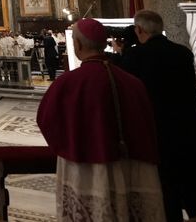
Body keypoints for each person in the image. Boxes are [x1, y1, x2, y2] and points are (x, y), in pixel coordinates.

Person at [37, 18, 165, 221]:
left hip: (86, 168)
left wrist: (68, 145)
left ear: (77, 45)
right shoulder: (133, 82)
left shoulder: (68, 83)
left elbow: (47, 121)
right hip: (133, 167)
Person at [119, 10, 196, 221]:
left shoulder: (135, 56)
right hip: (190, 132)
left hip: (159, 135)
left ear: (139, 29)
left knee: (167, 196)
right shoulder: (183, 52)